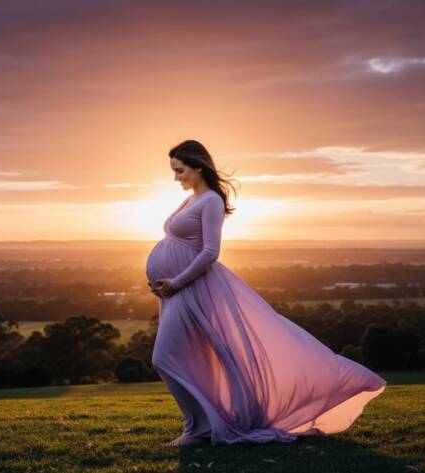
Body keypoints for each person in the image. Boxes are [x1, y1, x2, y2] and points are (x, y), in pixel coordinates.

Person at [145, 139, 387, 446]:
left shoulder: (210, 202)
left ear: (197, 166)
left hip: (193, 289)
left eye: (179, 171)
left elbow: (210, 252)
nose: (175, 178)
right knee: (191, 357)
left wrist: (177, 281)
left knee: (164, 356)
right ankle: (202, 425)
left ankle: (197, 429)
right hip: (176, 293)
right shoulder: (191, 199)